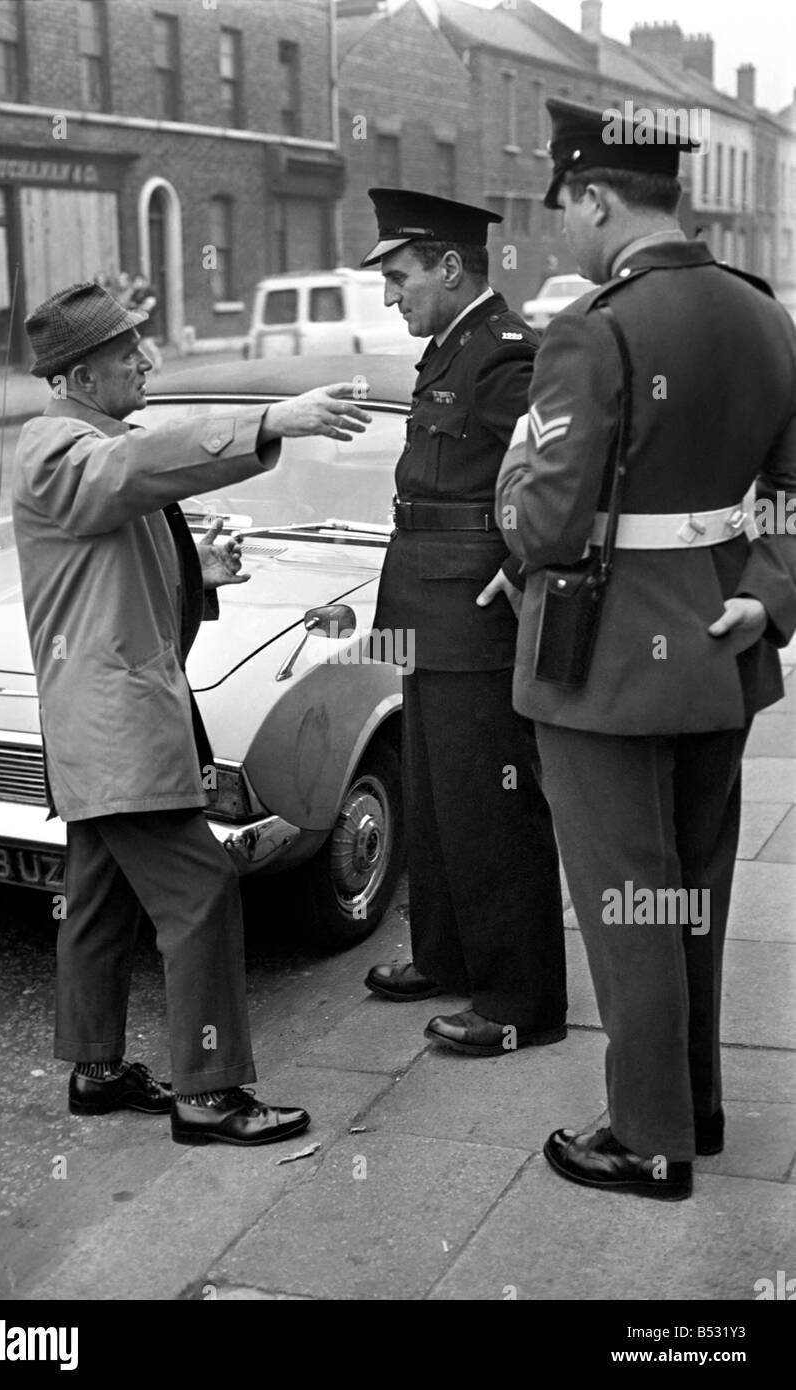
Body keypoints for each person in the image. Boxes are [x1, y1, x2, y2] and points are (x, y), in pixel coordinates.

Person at [496, 99, 796, 1199]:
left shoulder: (592, 327)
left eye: (561, 211)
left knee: (628, 904)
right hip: (718, 645)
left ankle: (647, 1137)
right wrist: (767, 596)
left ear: (594, 197)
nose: (561, 236)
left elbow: (546, 525)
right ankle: (694, 1106)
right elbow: (791, 495)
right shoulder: (763, 316)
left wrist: (508, 498)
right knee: (690, 899)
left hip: (606, 659)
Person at [13, 281, 370, 1146]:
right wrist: (267, 424)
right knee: (203, 889)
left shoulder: (93, 438)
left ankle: (96, 1072)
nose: (148, 361)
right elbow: (125, 478)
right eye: (129, 353)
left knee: (98, 901)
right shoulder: (58, 447)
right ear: (79, 374)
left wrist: (195, 570)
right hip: (115, 728)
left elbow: (106, 551)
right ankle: (208, 1093)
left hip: (106, 721)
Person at [360, 188, 567, 1055]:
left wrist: (522, 564)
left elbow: (559, 472)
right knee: (437, 798)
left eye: (400, 276)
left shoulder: (505, 355)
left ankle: (520, 1002)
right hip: (425, 604)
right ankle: (444, 957)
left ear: (450, 268)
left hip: (476, 615)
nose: (389, 295)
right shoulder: (450, 347)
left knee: (493, 806)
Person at [129, 271, 163, 372]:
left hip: (149, 322)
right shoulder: (135, 294)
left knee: (148, 344)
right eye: (135, 281)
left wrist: (137, 307)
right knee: (139, 345)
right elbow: (131, 306)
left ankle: (158, 361)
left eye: (138, 281)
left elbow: (148, 306)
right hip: (139, 323)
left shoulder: (150, 292)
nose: (136, 283)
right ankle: (145, 365)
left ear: (144, 282)